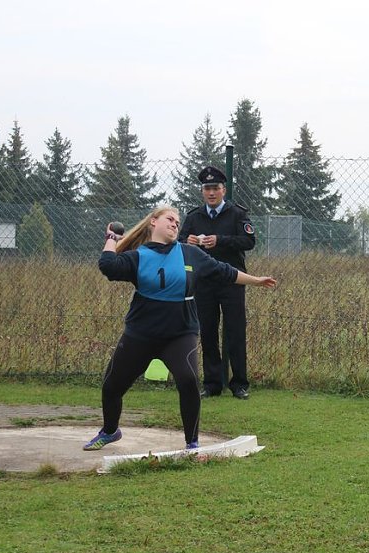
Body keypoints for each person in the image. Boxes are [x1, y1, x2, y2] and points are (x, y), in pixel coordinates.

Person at [83, 205, 276, 451]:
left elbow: (224, 271)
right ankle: (110, 431)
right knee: (112, 385)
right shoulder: (138, 256)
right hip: (140, 335)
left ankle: (191, 443)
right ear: (153, 222)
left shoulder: (189, 254)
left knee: (188, 381)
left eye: (177, 221)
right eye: (170, 219)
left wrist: (256, 280)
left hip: (179, 334)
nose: (175, 224)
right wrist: (112, 238)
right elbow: (108, 266)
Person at [179, 166, 256, 400]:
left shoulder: (237, 214)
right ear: (202, 192)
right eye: (207, 189)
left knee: (235, 331)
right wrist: (189, 240)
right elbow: (180, 240)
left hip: (232, 280)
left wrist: (220, 240)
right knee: (208, 332)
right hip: (204, 282)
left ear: (224, 190)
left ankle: (239, 384)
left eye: (215, 188)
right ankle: (212, 384)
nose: (211, 193)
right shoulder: (194, 217)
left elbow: (249, 241)